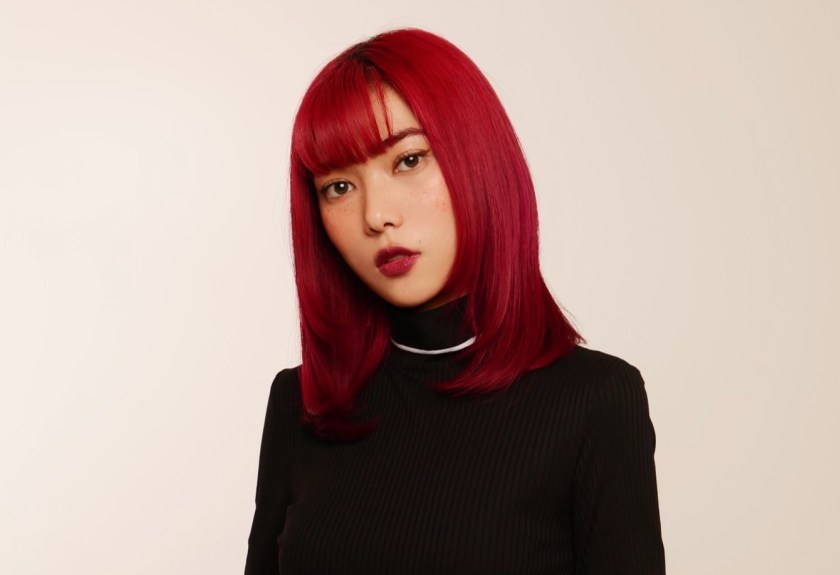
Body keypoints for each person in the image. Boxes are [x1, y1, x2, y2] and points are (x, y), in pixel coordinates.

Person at [244, 28, 665, 574]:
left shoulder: (595, 402)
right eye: (338, 187)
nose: (376, 215)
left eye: (408, 160)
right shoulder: (301, 405)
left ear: (477, 157)